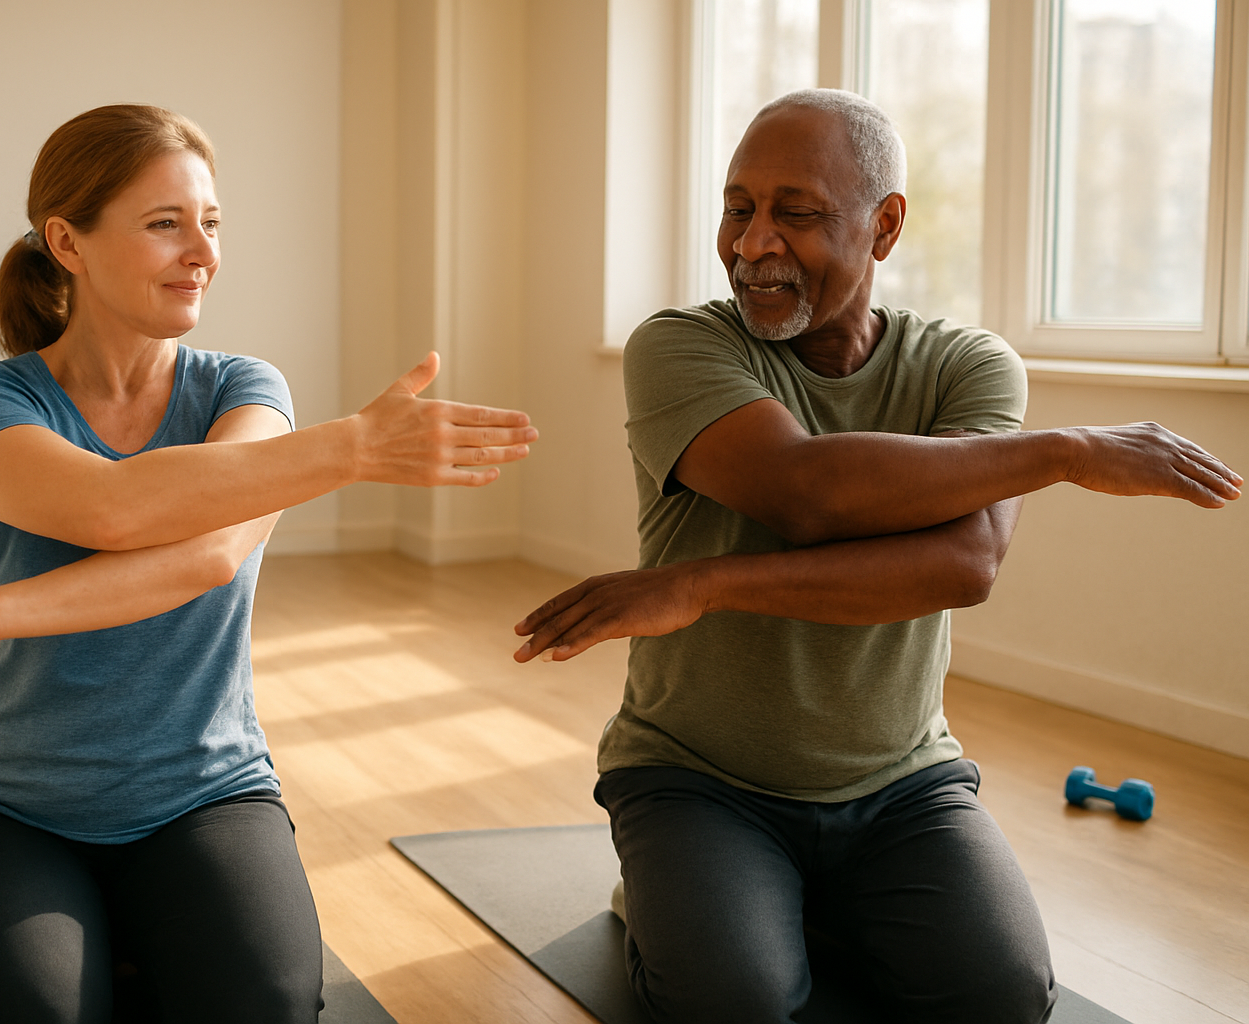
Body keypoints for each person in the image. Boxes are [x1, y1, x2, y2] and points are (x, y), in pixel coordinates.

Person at [0, 104, 536, 1024]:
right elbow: (116, 505)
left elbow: (213, 552)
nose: (202, 251)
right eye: (164, 224)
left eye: (211, 223)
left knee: (266, 1008)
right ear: (67, 241)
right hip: (6, 805)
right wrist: (350, 449)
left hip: (207, 795)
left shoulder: (246, 390)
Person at [513, 88, 1240, 1024]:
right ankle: (694, 898)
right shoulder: (679, 344)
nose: (752, 244)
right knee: (733, 1002)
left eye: (797, 213)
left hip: (902, 782)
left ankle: (796, 905)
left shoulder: (970, 368)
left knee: (1006, 998)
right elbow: (804, 491)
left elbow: (964, 567)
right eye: (738, 208)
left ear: (885, 226)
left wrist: (699, 584)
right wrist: (1066, 453)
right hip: (696, 775)